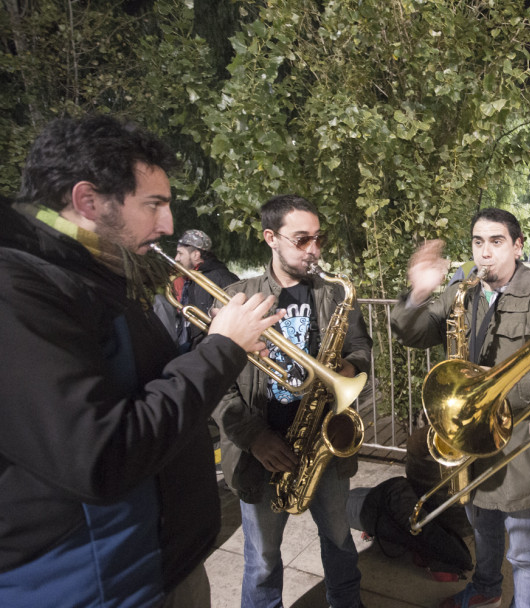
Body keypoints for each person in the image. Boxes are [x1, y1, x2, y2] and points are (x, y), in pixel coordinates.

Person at [0, 114, 285, 607]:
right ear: (87, 201)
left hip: (155, 565)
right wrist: (220, 351)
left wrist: (215, 345)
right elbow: (102, 454)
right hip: (100, 584)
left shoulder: (92, 271)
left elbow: (138, 388)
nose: (169, 225)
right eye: (153, 205)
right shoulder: (20, 290)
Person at [391, 208, 530, 608]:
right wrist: (419, 293)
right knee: (483, 525)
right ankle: (487, 588)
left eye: (496, 242)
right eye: (478, 243)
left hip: (517, 441)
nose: (485, 253)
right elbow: (413, 332)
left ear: (518, 245)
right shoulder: (463, 292)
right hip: (469, 439)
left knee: (525, 551)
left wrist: (494, 389)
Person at [213, 194, 372, 608]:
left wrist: (345, 375)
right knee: (263, 560)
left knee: (339, 542)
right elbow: (215, 381)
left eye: (318, 239)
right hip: (262, 452)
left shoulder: (335, 294)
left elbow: (360, 349)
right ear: (271, 237)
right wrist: (253, 437)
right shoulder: (237, 298)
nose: (314, 250)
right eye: (302, 240)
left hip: (324, 443)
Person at [345, 426, 473, 581]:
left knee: (349, 504)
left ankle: (443, 553)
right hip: (395, 495)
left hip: (390, 497)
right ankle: (443, 553)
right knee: (396, 508)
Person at [173, 228, 240, 351]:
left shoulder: (219, 277)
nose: (176, 258)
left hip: (212, 351)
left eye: (180, 253)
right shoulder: (194, 278)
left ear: (196, 254)